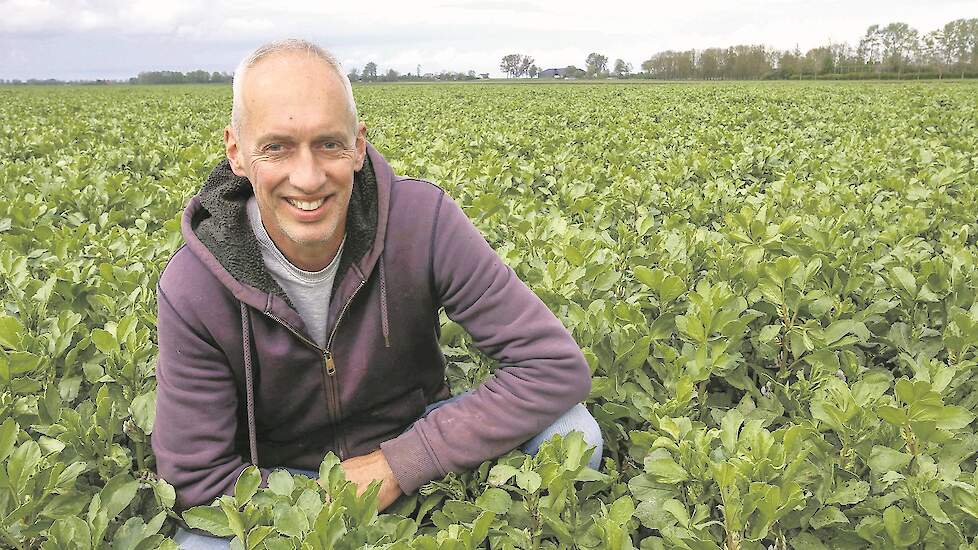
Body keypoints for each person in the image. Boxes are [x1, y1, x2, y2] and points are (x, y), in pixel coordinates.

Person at [152, 38, 602, 549]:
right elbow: (196, 480)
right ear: (237, 152)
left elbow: (553, 366)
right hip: (286, 484)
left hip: (415, 448)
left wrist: (400, 463)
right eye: (276, 147)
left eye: (329, 143)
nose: (308, 176)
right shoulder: (194, 285)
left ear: (359, 144)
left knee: (574, 436)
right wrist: (330, 506)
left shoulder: (420, 221)